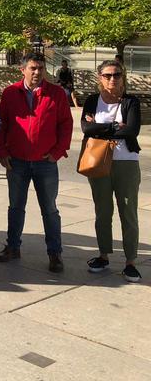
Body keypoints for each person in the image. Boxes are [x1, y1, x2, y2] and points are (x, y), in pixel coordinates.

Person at [0, 53, 72, 273]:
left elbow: (65, 125)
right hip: (17, 162)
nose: (37, 72)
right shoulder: (10, 93)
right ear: (22, 70)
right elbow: (2, 125)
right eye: (32, 68)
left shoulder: (56, 93)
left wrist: (58, 152)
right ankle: (12, 247)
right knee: (16, 208)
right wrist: (2, 151)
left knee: (49, 209)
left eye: (40, 68)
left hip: (45, 163)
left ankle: (54, 253)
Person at [81, 60, 142, 283]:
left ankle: (131, 262)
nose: (112, 79)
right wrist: (117, 127)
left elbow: (132, 130)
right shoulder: (91, 101)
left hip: (126, 162)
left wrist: (101, 128)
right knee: (103, 211)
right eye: (107, 75)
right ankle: (103, 255)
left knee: (128, 212)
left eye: (116, 74)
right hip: (98, 162)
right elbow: (87, 129)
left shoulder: (130, 101)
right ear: (99, 77)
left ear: (122, 76)